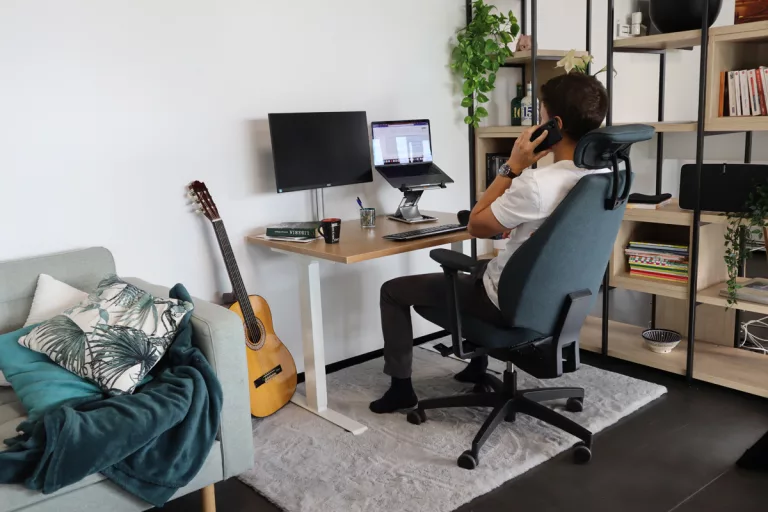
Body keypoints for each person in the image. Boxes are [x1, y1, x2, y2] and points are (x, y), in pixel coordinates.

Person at [370, 72, 610, 414]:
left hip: (507, 304)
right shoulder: (604, 179)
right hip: (558, 298)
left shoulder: (538, 184)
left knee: (392, 291)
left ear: (553, 125)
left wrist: (512, 167)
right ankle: (477, 367)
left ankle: (401, 390)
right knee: (481, 268)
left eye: (539, 115)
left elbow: (475, 225)